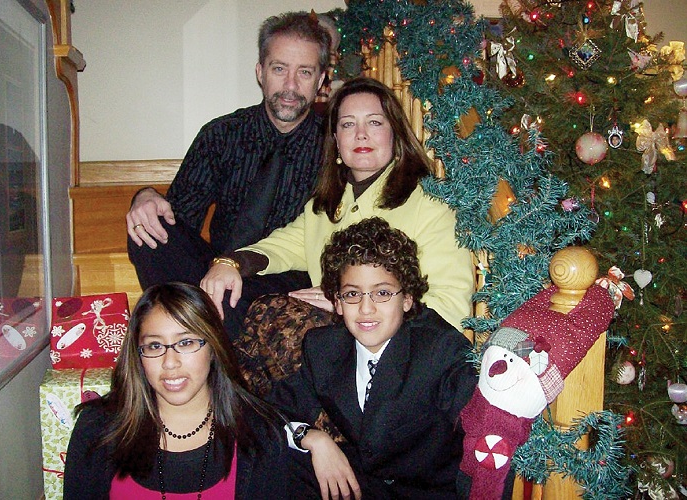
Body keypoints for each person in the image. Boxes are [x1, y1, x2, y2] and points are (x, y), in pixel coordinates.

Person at [201, 76, 474, 339]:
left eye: (375, 122)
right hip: (334, 339)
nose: (361, 135)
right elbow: (282, 246)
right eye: (347, 124)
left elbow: (450, 307)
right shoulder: (327, 205)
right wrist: (231, 263)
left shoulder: (431, 205)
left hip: (399, 349)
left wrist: (353, 305)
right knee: (232, 303)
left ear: (396, 134)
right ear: (336, 140)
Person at [125, 12, 331, 303]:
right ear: (260, 72)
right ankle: (199, 316)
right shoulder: (222, 134)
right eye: (279, 69)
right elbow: (179, 218)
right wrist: (145, 196)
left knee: (228, 295)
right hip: (215, 267)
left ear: (320, 79)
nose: (291, 86)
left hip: (289, 280)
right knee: (147, 228)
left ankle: (193, 320)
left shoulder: (335, 145)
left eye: (305, 72)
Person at [268, 217, 478, 499]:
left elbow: (481, 439)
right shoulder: (324, 348)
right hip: (365, 484)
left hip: (430, 493)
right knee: (276, 464)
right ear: (338, 302)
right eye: (352, 294)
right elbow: (272, 410)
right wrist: (312, 438)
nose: (366, 309)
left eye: (382, 293)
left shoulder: (441, 351)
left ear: (407, 299)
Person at [62, 282, 291, 499]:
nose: (169, 362)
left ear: (213, 347)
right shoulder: (97, 428)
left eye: (186, 343)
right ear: (138, 355)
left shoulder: (260, 434)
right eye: (154, 346)